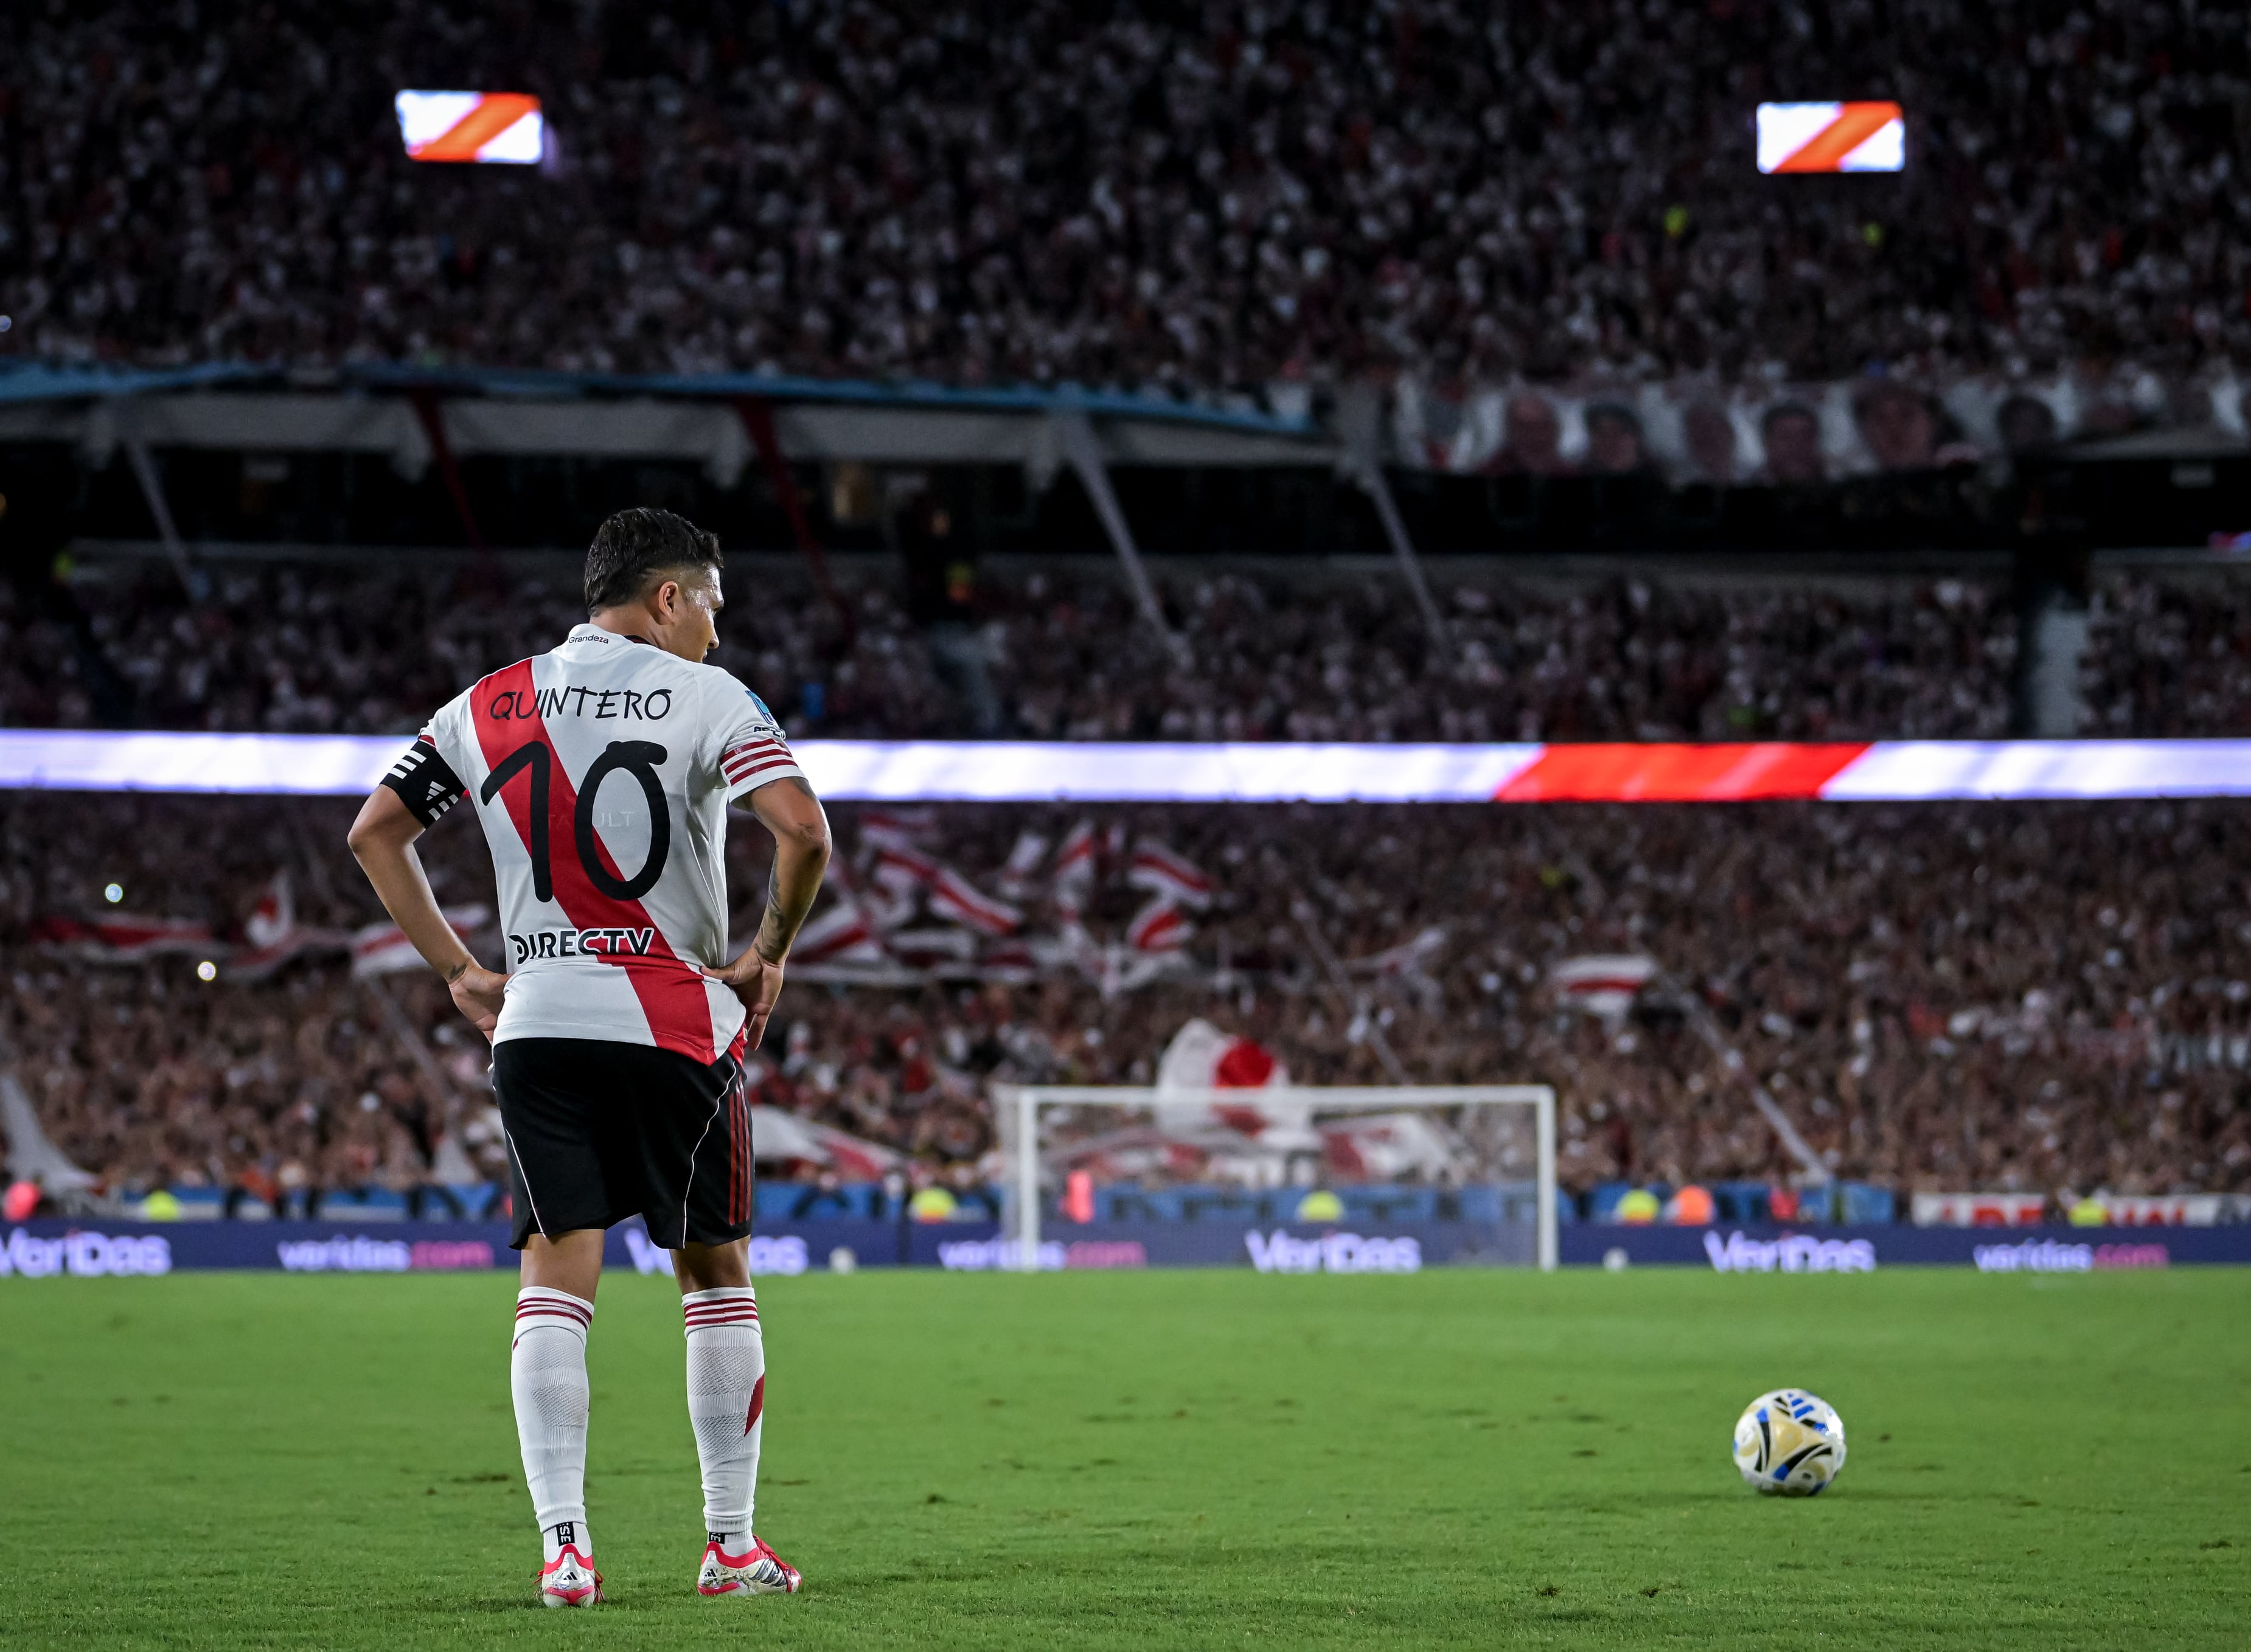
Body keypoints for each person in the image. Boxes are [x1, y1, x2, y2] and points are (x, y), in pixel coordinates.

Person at [346, 507, 832, 1608]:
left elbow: (375, 830)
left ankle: (566, 1550)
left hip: (540, 1021)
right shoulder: (711, 697)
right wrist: (768, 955)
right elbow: (803, 830)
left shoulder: (489, 699)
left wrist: (462, 972)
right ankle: (730, 1547)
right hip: (676, 1022)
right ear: (669, 598)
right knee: (713, 1271)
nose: (717, 624)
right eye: (710, 600)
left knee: (552, 1282)